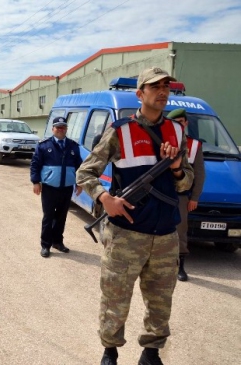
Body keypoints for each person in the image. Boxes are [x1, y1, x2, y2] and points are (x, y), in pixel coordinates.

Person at [75, 67, 194, 365]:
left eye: (166, 86)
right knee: (115, 296)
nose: (162, 91)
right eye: (155, 87)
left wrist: (178, 167)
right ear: (140, 94)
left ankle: (151, 352)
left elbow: (186, 181)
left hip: (166, 233)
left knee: (160, 300)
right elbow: (85, 172)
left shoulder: (178, 131)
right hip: (126, 233)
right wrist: (105, 198)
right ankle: (110, 351)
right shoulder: (120, 130)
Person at [30, 116, 83, 258]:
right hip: (49, 187)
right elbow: (35, 165)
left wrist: (79, 183)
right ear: (53, 129)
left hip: (66, 188)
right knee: (48, 216)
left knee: (61, 217)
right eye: (58, 127)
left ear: (66, 129)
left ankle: (58, 242)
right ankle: (45, 245)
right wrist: (36, 182)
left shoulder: (73, 146)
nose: (60, 129)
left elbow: (79, 166)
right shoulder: (44, 146)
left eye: (63, 127)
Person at [166, 108, 206, 281]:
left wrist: (195, 197)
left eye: (181, 122)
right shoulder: (162, 141)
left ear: (186, 123)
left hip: (181, 195)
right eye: (175, 123)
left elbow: (199, 173)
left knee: (180, 229)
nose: (178, 126)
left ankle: (180, 266)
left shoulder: (194, 145)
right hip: (159, 193)